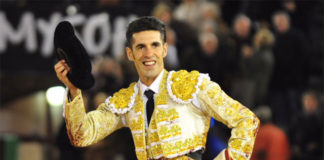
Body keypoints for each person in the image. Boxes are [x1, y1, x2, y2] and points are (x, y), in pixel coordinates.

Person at [54, 16, 259, 160]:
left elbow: (247, 121)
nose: (148, 53)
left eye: (154, 45)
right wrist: (73, 90)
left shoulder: (193, 85)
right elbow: (82, 135)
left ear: (165, 49)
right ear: (130, 54)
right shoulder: (127, 100)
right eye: (140, 47)